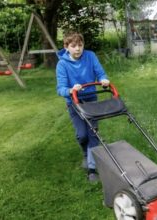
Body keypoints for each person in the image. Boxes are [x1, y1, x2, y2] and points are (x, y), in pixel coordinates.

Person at [56, 32, 109, 182]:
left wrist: (104, 79)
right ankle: (86, 154)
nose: (78, 49)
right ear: (66, 47)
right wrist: (71, 90)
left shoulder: (90, 56)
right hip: (74, 103)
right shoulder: (62, 64)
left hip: (91, 100)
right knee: (82, 135)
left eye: (80, 45)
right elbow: (60, 88)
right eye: (73, 46)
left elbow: (100, 72)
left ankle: (92, 169)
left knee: (93, 133)